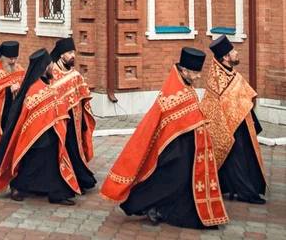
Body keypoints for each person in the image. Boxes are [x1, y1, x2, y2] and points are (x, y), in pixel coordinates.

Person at [101, 47, 229, 229]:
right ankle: (140, 204)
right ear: (184, 70)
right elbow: (165, 123)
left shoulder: (186, 86)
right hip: (173, 148)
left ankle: (160, 209)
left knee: (180, 182)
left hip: (186, 147)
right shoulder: (173, 92)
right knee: (170, 181)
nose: (198, 76)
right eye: (195, 72)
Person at [0, 49, 79, 205]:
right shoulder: (34, 88)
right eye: (50, 65)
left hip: (50, 131)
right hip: (36, 135)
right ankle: (18, 186)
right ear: (44, 67)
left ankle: (56, 193)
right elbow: (32, 113)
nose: (53, 67)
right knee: (33, 163)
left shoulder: (47, 83)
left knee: (52, 162)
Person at [201, 35, 266, 204]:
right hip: (226, 126)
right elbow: (220, 103)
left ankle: (236, 188)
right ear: (225, 57)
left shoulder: (231, 72)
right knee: (236, 160)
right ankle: (246, 193)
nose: (237, 53)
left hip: (241, 123)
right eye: (233, 51)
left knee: (246, 156)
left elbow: (243, 96)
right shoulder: (217, 78)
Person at [49, 37, 96, 192]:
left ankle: (79, 178)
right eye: (69, 53)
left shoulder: (75, 75)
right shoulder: (52, 74)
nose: (73, 56)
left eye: (73, 52)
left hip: (75, 121)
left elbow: (84, 95)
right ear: (61, 54)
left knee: (75, 149)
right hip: (59, 121)